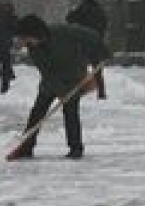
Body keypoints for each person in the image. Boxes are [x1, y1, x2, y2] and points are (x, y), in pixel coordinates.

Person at [10, 14, 108, 160]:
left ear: (36, 33)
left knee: (70, 111)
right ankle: (26, 147)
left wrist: (103, 50)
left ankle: (76, 148)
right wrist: (61, 92)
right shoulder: (34, 49)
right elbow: (47, 73)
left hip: (73, 76)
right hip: (51, 79)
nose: (23, 42)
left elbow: (91, 36)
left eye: (25, 38)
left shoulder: (62, 32)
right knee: (37, 111)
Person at [66, 0, 109, 98]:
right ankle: (101, 93)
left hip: (84, 43)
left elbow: (69, 19)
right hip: (97, 43)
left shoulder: (83, 9)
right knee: (97, 69)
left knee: (80, 68)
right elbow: (104, 24)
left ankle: (79, 90)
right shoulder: (99, 10)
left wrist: (72, 11)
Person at [0, 2, 18, 95]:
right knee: (5, 68)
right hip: (4, 47)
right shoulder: (10, 19)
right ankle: (4, 88)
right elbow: (15, 30)